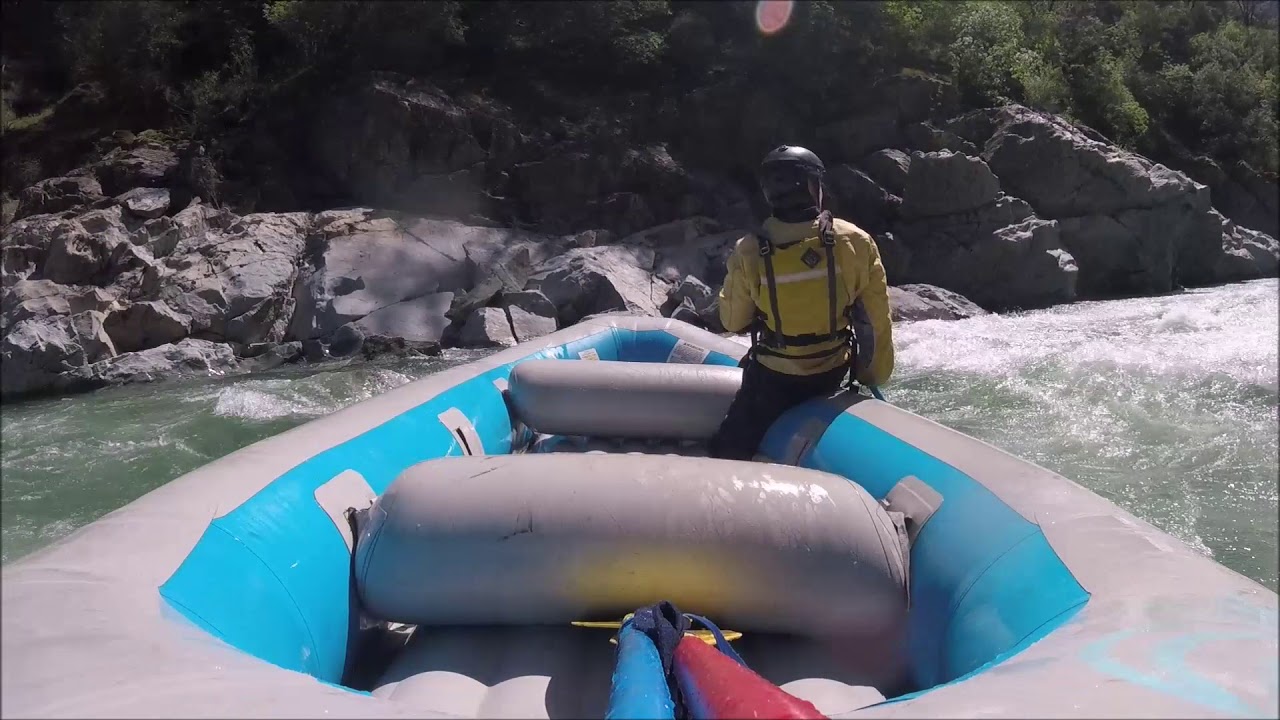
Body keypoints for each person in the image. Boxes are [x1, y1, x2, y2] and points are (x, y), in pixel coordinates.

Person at [707, 145, 895, 461]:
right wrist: (871, 377)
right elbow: (875, 323)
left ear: (769, 193)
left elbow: (732, 320)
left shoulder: (750, 249)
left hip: (772, 379)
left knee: (727, 451)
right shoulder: (856, 241)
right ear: (813, 187)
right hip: (831, 373)